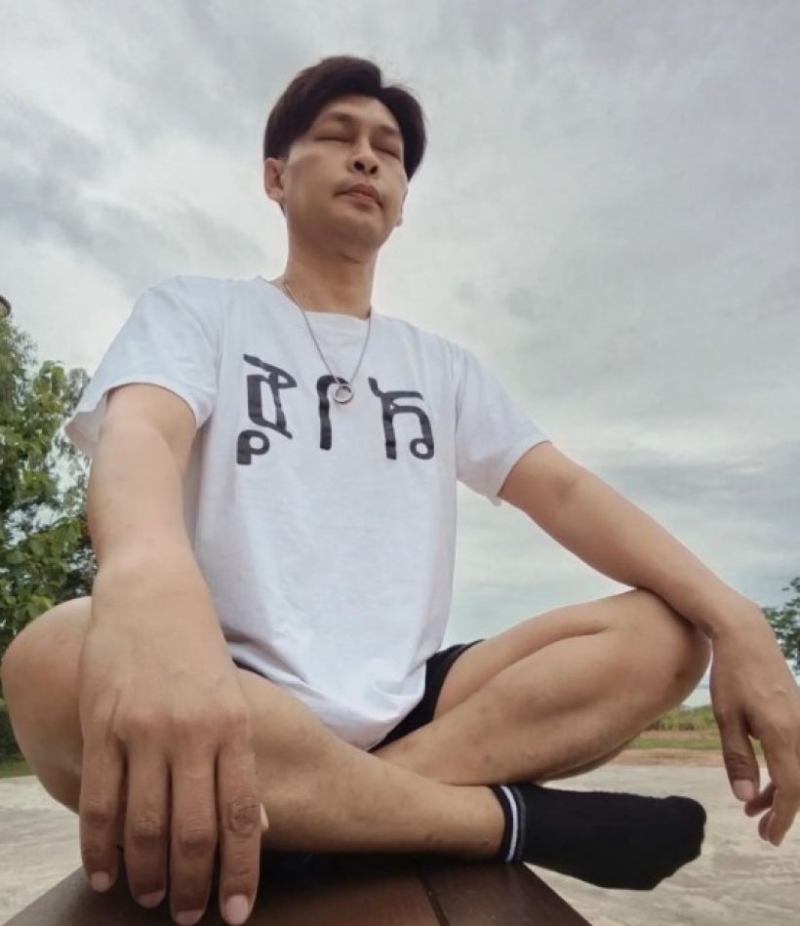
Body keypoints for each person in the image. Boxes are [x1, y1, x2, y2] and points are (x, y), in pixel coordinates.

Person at [3, 55, 799, 926]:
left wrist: (737, 618)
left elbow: (565, 492)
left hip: (417, 707)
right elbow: (143, 435)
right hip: (227, 686)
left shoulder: (442, 367)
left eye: (388, 149)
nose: (366, 157)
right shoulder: (198, 311)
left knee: (667, 634)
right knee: (46, 661)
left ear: (403, 199)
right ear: (275, 177)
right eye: (337, 136)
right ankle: (503, 822)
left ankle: (328, 815)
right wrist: (148, 583)